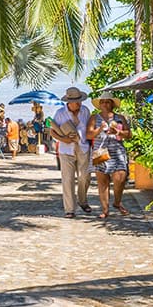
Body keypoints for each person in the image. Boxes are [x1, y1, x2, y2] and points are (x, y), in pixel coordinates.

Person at [86, 92, 131, 218]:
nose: (105, 104)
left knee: (120, 177)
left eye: (108, 101)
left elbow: (129, 134)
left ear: (112, 104)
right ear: (99, 105)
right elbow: (88, 135)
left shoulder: (120, 117)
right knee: (103, 181)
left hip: (117, 150)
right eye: (102, 102)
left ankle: (117, 202)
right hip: (100, 150)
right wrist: (100, 129)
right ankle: (105, 210)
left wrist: (118, 132)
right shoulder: (94, 118)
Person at [50, 87, 92, 218]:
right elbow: (52, 131)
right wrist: (64, 139)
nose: (79, 103)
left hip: (83, 147)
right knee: (67, 180)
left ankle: (82, 200)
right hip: (66, 149)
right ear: (69, 102)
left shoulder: (85, 111)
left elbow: (89, 129)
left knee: (84, 176)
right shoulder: (60, 113)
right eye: (76, 101)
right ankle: (70, 209)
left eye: (80, 100)